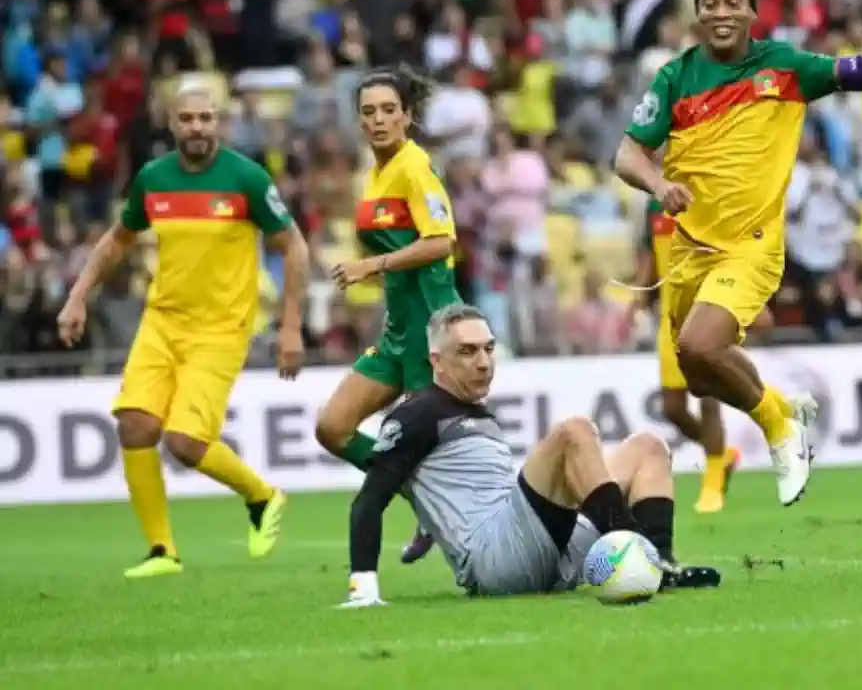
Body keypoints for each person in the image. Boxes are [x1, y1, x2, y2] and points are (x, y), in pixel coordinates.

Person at [613, 0, 862, 506]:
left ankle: (780, 427)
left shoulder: (785, 66)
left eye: (733, 1)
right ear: (698, 13)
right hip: (689, 251)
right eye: (710, 3)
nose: (722, 11)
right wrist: (659, 185)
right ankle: (785, 409)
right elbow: (626, 154)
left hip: (751, 245)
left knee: (700, 345)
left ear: (752, 11)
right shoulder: (675, 76)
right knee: (699, 375)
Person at [56, 84, 310, 578]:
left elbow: (293, 247)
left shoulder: (246, 178)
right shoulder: (154, 178)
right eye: (187, 118)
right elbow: (116, 241)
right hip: (162, 321)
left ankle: (262, 496)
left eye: (206, 118)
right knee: (134, 424)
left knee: (185, 443)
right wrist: (77, 296)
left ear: (220, 122)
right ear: (170, 123)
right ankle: (161, 551)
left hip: (220, 328)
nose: (197, 127)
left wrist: (292, 327)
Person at [341, 303, 720, 607]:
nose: (484, 362)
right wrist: (363, 588)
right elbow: (369, 499)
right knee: (573, 432)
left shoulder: (473, 409)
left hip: (542, 552)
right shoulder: (417, 413)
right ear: (437, 361)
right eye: (467, 351)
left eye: (489, 348)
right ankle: (639, 555)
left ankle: (661, 564)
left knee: (647, 447)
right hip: (495, 561)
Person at [314, 66, 461, 471]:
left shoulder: (414, 167)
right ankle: (413, 493)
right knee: (333, 427)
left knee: (433, 451)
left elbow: (441, 241)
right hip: (398, 331)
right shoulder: (376, 173)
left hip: (431, 327)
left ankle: (433, 521)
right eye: (369, 112)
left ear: (406, 116)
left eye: (388, 110)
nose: (378, 119)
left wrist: (371, 265)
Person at [629, 197, 773, 513]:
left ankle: (712, 483)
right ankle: (724, 456)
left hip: (707, 309)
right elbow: (652, 257)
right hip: (670, 317)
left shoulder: (709, 192)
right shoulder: (655, 202)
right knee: (673, 410)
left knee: (708, 399)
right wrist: (638, 298)